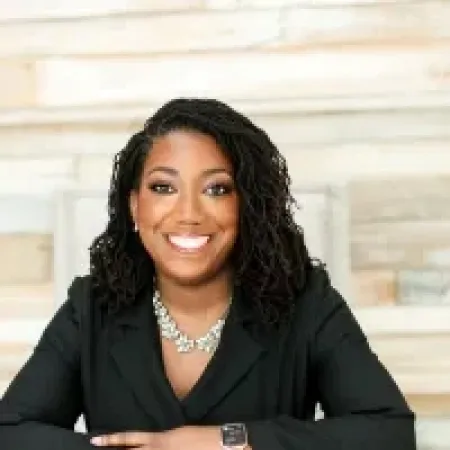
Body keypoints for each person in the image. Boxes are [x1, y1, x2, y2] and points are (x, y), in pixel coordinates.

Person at [0, 98, 416, 450]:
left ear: (247, 206)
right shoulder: (91, 306)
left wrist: (227, 439)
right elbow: (11, 431)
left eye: (216, 189)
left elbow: (389, 432)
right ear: (134, 206)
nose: (188, 215)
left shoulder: (306, 301)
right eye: (164, 187)